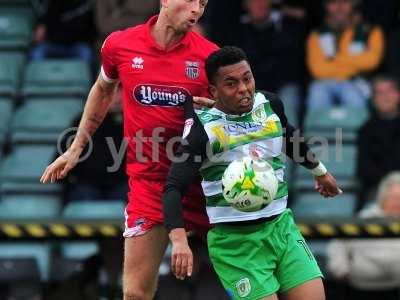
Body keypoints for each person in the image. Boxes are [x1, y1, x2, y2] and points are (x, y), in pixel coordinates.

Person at [40, 1, 218, 299]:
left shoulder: (210, 56)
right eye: (189, 0)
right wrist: (76, 148)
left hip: (202, 186)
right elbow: (102, 89)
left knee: (252, 284)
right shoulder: (120, 45)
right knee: (135, 293)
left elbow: (239, 112)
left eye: (203, 3)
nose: (196, 10)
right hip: (149, 187)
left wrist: (218, 111)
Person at [162, 46, 342, 300]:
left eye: (247, 78)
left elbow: (288, 137)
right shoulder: (203, 130)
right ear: (213, 91)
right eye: (231, 84)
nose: (244, 89)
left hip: (281, 228)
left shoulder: (269, 104)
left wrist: (320, 172)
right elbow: (172, 187)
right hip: (236, 245)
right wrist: (179, 240)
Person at [327, 172, 400, 300]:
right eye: (393, 198)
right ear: (382, 198)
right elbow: (337, 244)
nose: (397, 203)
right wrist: (342, 270)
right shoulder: (365, 218)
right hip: (359, 291)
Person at [306, 0, 384, 109]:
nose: (339, 6)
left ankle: (357, 126)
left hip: (358, 82)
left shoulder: (370, 30)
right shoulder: (317, 34)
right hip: (324, 83)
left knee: (351, 93)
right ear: (326, 6)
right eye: (333, 2)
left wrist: (333, 59)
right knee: (317, 91)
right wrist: (353, 64)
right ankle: (318, 126)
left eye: (345, 1)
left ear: (354, 4)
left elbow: (372, 62)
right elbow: (317, 70)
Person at [234, 0, 306, 114]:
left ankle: (287, 132)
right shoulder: (238, 30)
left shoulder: (285, 25)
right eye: (254, 1)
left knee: (288, 96)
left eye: (264, 0)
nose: (260, 4)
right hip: (251, 86)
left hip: (282, 84)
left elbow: (291, 63)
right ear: (246, 5)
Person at [356, 75, 400, 206]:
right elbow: (363, 170)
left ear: (398, 95)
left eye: (389, 91)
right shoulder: (365, 130)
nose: (385, 96)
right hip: (379, 189)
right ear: (374, 99)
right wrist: (389, 185)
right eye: (379, 93)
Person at [30, 0, 95, 62]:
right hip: (53, 44)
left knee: (87, 54)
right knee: (36, 54)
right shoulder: (51, 3)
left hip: (76, 44)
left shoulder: (86, 4)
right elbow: (43, 26)